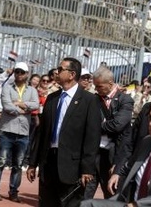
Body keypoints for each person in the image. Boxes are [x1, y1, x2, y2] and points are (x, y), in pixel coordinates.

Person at [26, 57, 102, 207]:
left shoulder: (89, 100)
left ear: (72, 74)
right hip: (49, 163)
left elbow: (92, 137)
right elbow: (42, 133)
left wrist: (87, 168)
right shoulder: (52, 98)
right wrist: (33, 163)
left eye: (61, 69)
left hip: (72, 167)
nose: (57, 72)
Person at [0, 62, 39, 202]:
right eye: (17, 71)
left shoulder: (32, 90)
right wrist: (22, 110)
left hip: (23, 132)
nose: (19, 74)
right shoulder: (7, 87)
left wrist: (21, 104)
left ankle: (13, 192)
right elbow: (7, 105)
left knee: (18, 164)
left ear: (27, 74)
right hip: (7, 130)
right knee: (0, 161)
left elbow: (36, 105)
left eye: (22, 72)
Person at [85, 66, 134, 199]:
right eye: (95, 86)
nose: (96, 89)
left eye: (99, 86)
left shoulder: (125, 100)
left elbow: (118, 125)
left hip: (113, 154)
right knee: (85, 193)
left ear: (110, 84)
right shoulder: (93, 99)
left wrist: (96, 126)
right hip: (93, 152)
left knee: (111, 193)